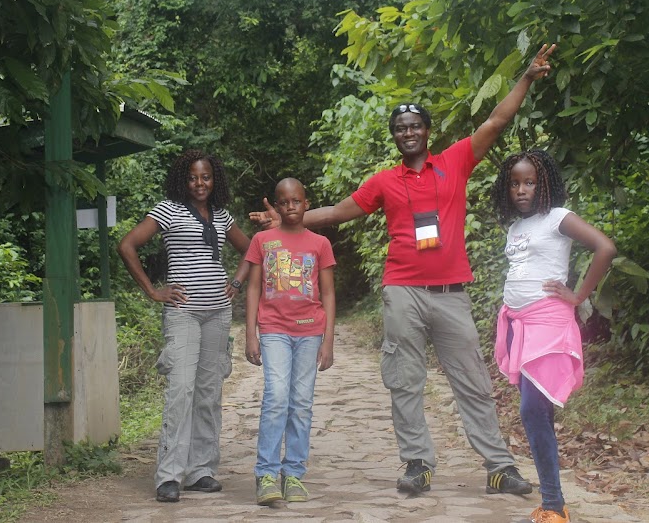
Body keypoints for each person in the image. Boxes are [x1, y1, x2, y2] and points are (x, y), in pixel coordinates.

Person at [251, 44, 557, 497]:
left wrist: (527, 77)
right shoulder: (384, 181)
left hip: (451, 293)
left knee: (471, 378)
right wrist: (288, 221)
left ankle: (499, 466)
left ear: (427, 131)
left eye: (414, 126)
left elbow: (495, 121)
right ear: (395, 137)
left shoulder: (454, 162)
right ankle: (417, 463)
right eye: (400, 128)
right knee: (404, 380)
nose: (408, 133)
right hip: (402, 292)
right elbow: (336, 212)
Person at [117, 149, 251, 503]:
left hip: (218, 314)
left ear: (214, 179)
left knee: (209, 393)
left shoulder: (222, 216)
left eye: (206, 177)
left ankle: (201, 471)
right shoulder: (167, 210)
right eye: (193, 177)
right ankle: (169, 475)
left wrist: (236, 283)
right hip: (184, 313)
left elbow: (252, 250)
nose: (199, 183)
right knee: (181, 391)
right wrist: (152, 291)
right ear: (183, 179)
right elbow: (127, 245)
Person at [490, 149, 616, 523]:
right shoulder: (515, 227)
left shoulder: (559, 218)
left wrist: (579, 296)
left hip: (547, 323)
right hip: (517, 325)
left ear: (544, 183)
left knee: (532, 410)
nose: (521, 190)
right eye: (514, 183)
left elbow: (605, 248)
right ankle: (551, 503)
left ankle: (554, 506)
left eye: (529, 182)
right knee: (535, 411)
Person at [244, 178, 336, 506]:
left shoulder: (320, 244)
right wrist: (250, 333)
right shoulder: (263, 240)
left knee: (301, 403)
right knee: (276, 397)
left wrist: (329, 340)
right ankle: (266, 473)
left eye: (296, 201)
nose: (290, 206)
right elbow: (254, 286)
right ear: (278, 207)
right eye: (284, 202)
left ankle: (294, 473)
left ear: (306, 203)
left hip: (311, 331)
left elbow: (327, 293)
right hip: (273, 330)